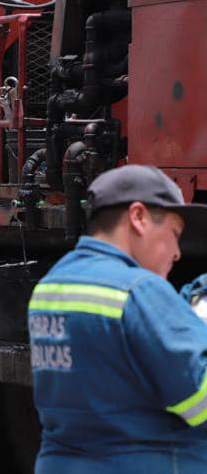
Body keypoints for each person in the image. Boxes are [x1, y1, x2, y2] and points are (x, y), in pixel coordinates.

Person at [28, 165, 207, 473]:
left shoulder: (50, 286)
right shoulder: (139, 290)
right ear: (138, 217)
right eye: (174, 234)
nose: (177, 252)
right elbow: (199, 401)